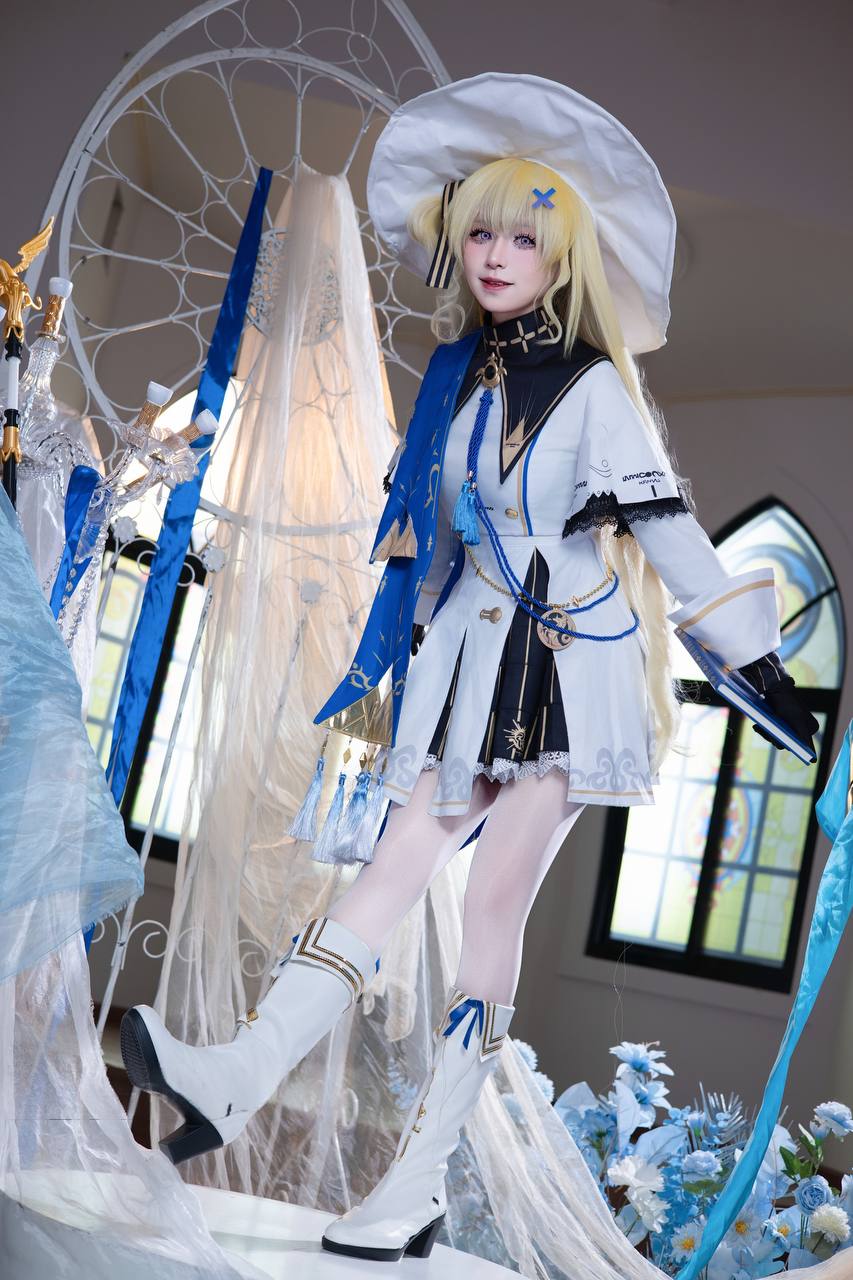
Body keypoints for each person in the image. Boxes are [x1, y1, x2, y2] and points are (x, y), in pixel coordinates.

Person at [121, 73, 818, 1263]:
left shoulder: (594, 390)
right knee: (387, 874)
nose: (496, 255)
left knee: (492, 904)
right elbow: (427, 540)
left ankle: (416, 1183)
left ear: (563, 254)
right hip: (465, 666)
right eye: (481, 232)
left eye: (522, 237)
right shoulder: (460, 377)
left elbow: (668, 540)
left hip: (567, 673)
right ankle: (235, 1074)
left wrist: (771, 681)